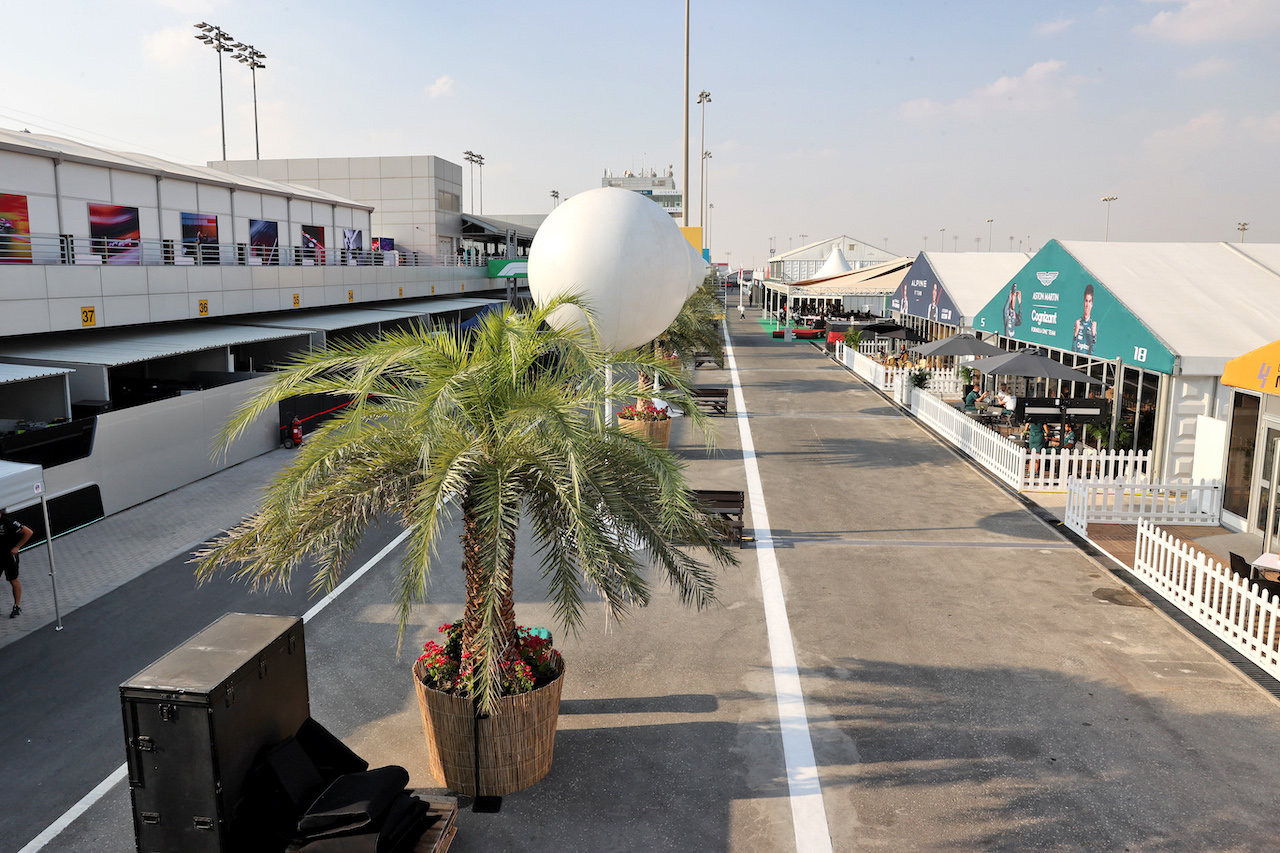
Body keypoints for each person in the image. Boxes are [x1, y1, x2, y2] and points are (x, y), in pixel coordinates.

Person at [1, 507, 33, 618]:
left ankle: (17, 606)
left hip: (9, 556)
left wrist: (17, 547)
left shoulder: (8, 522)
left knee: (13, 580)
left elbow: (28, 532)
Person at [1073, 283, 1098, 354]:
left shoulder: (1093, 325)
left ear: (1092, 304)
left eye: (1089, 301)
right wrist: (1075, 334)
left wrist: (1093, 336)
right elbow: (1073, 351)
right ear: (1084, 302)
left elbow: (1092, 354)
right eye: (1086, 301)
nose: (1087, 305)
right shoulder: (1078, 322)